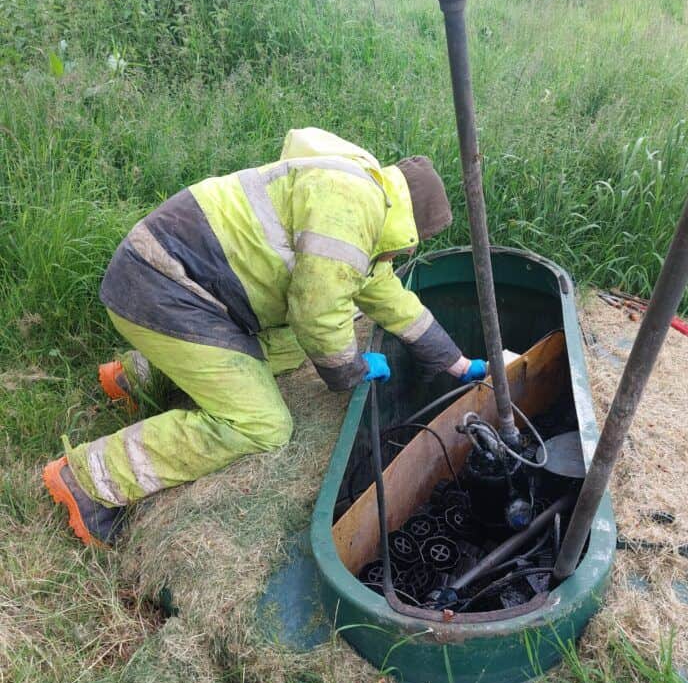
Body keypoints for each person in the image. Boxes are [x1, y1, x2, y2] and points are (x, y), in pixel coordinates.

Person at [42, 128, 488, 547]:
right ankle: (88, 481)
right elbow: (317, 313)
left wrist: (456, 363)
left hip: (173, 279)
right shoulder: (350, 212)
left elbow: (389, 298)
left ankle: (138, 377)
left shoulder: (359, 198)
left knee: (291, 346)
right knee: (262, 425)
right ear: (411, 232)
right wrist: (348, 370)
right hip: (163, 290)